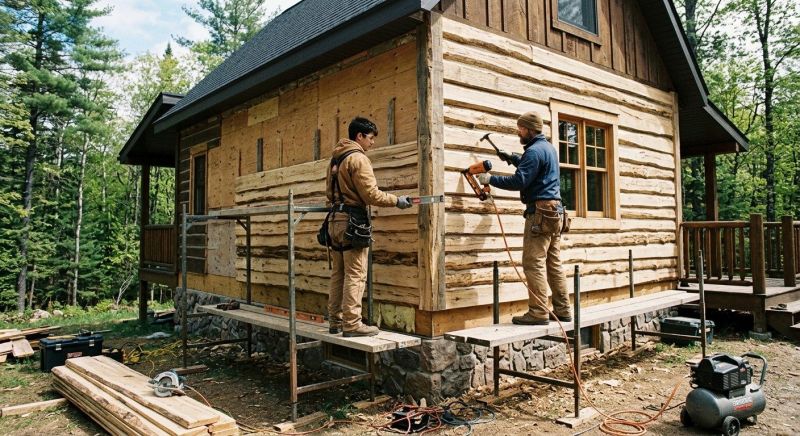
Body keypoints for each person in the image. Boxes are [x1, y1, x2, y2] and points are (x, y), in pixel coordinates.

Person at [477, 112, 571, 325]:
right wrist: (513, 158)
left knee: (533, 262)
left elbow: (520, 181)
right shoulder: (547, 148)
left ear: (529, 129)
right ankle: (563, 310)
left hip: (539, 211)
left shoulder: (534, 151)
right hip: (555, 211)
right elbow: (534, 169)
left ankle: (538, 312)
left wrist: (491, 179)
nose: (518, 131)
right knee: (553, 262)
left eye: (520, 128)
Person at [326, 117, 412, 337]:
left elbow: (329, 195)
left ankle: (335, 321)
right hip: (353, 222)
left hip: (334, 220)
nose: (372, 143)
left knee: (339, 273)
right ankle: (352, 324)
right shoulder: (358, 159)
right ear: (359, 136)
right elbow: (370, 195)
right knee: (355, 274)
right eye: (371, 138)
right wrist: (397, 200)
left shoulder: (335, 159)